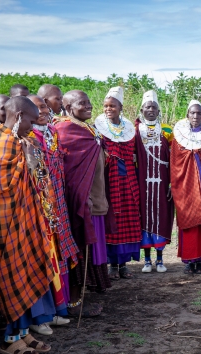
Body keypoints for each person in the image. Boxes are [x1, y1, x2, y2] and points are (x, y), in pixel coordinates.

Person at [0, 96, 53, 354]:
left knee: (25, 272)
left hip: (23, 223)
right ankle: (9, 339)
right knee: (11, 277)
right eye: (31, 122)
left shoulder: (19, 142)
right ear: (19, 117)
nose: (33, 128)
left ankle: (23, 333)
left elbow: (36, 182)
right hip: (2, 225)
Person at [55, 90, 111, 317]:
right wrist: (82, 198)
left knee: (90, 248)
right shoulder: (65, 129)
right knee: (80, 247)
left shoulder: (86, 128)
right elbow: (71, 171)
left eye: (89, 102)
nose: (88, 106)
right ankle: (74, 302)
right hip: (80, 202)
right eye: (82, 103)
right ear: (68, 108)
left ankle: (81, 297)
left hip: (94, 199)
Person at [27, 94, 79, 330]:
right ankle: (41, 316)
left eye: (46, 106)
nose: (46, 110)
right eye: (39, 108)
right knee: (42, 260)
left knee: (59, 256)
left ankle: (60, 307)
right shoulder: (27, 140)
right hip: (38, 212)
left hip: (58, 207)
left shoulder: (51, 132)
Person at [95, 86, 141, 280]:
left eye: (112, 106)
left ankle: (123, 264)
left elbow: (136, 155)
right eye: (105, 106)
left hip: (128, 180)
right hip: (108, 181)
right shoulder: (98, 128)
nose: (108, 109)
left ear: (120, 107)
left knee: (128, 220)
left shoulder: (130, 129)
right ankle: (112, 264)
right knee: (112, 219)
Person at [171, 100, 201, 274]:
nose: (195, 116)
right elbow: (176, 164)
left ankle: (200, 261)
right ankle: (189, 261)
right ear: (187, 115)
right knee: (189, 224)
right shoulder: (179, 137)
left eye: (199, 113)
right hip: (186, 187)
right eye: (192, 113)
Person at [135, 90, 174, 273]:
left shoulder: (167, 130)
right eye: (147, 107)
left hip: (162, 183)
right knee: (144, 218)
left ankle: (160, 259)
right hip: (142, 183)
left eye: (154, 107)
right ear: (142, 109)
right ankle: (147, 260)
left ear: (159, 111)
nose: (151, 110)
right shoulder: (135, 130)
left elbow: (175, 158)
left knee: (160, 218)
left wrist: (173, 183)